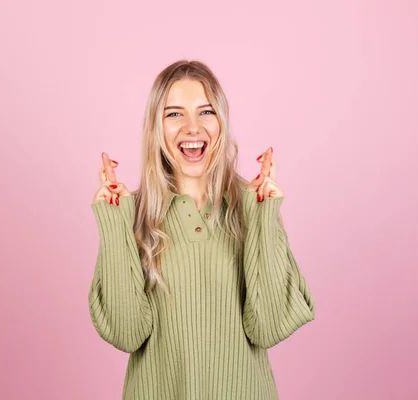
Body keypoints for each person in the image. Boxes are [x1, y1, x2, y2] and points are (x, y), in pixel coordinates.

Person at [89, 60, 315, 400]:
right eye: (174, 114)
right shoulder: (133, 216)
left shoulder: (252, 207)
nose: (192, 127)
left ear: (221, 122)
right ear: (156, 128)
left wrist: (263, 214)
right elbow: (126, 334)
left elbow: (268, 328)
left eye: (205, 112)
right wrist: (114, 222)